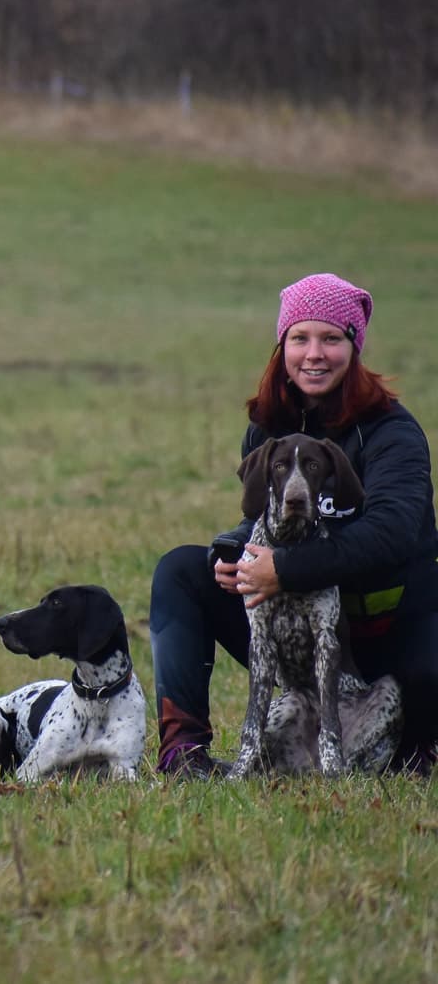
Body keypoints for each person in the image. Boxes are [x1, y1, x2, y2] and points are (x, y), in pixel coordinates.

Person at [150, 272, 438, 778]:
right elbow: (257, 516)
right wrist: (236, 552)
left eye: (331, 338)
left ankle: (417, 748)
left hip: (388, 632)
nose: (314, 354)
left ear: (354, 346)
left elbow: (390, 533)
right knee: (179, 570)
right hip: (300, 639)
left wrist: (284, 570)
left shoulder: (392, 432)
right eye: (300, 338)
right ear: (282, 345)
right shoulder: (269, 426)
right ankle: (183, 752)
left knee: (422, 702)